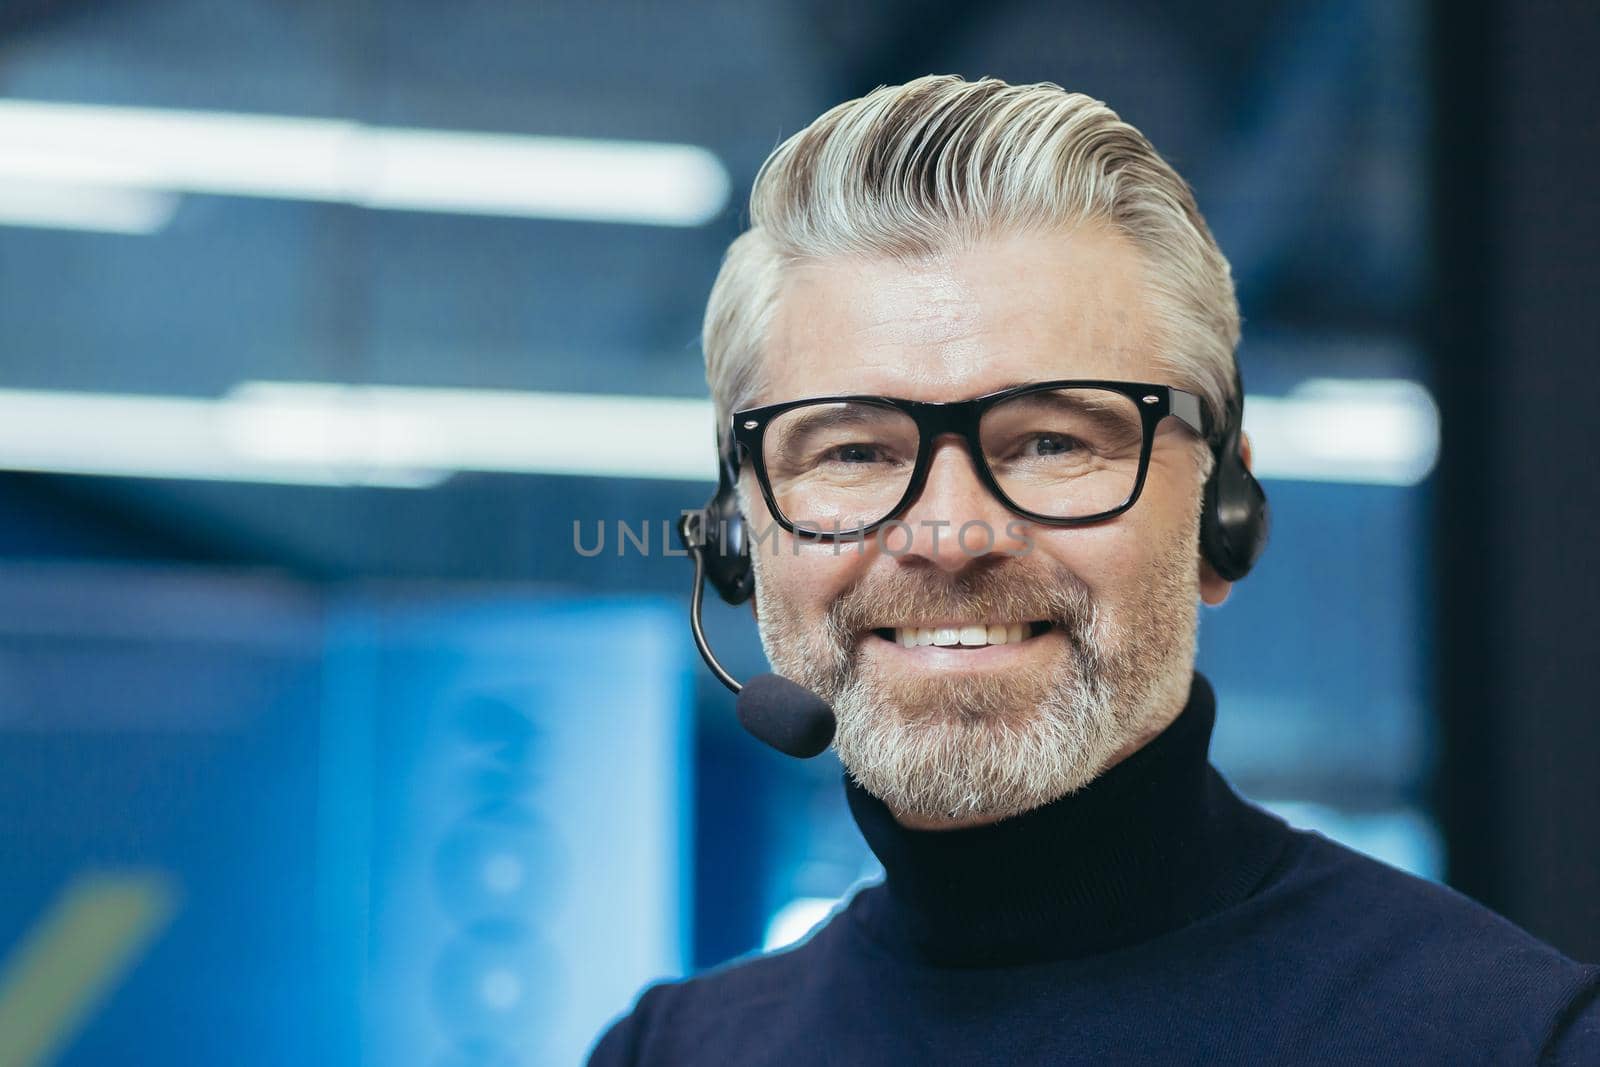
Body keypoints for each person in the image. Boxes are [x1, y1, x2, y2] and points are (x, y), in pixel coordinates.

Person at [588, 74, 1598, 1065]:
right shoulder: (673, 1048)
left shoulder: (1508, 1036)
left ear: (1220, 517)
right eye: (854, 452)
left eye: (1053, 442)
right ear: (736, 536)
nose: (948, 532)